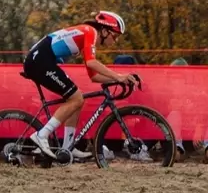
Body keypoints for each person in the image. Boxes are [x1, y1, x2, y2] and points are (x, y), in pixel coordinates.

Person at [23, 11, 135, 159]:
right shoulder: (90, 31)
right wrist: (118, 76)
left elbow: (94, 76)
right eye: (114, 36)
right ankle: (41, 135)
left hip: (42, 60)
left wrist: (117, 80)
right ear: (105, 30)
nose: (114, 41)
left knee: (77, 99)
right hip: (39, 61)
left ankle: (67, 147)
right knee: (76, 98)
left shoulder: (87, 34)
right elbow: (92, 62)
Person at [165, 57, 208, 163]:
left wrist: (200, 127)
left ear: (185, 77)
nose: (175, 81)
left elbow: (205, 107)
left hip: (196, 137)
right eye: (172, 77)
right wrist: (173, 107)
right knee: (174, 114)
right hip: (176, 137)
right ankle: (176, 150)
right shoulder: (166, 94)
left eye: (178, 77)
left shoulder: (195, 92)